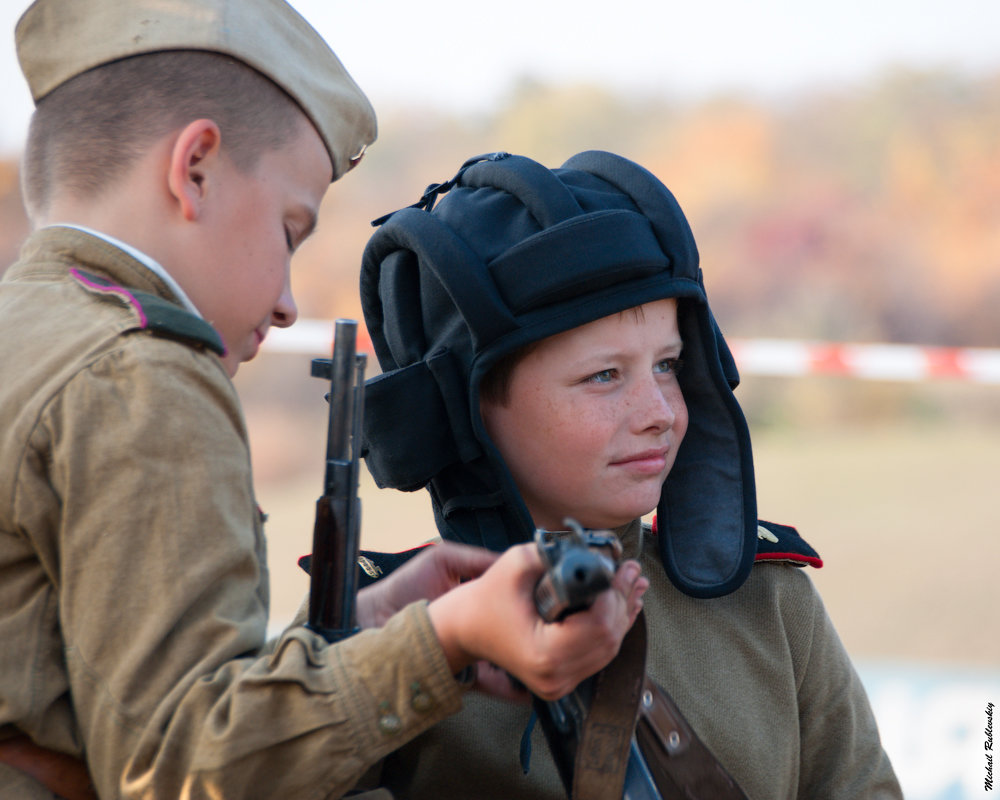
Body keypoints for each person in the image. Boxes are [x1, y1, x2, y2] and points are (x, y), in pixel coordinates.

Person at [0, 3, 646, 798]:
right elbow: (183, 767)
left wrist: (366, 631)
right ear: (194, 166)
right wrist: (441, 643)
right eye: (289, 229)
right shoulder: (141, 375)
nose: (284, 303)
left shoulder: (28, 337)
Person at [358, 150, 904, 798]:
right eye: (604, 376)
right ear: (472, 409)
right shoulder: (376, 639)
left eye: (669, 366)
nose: (659, 414)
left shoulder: (768, 604)